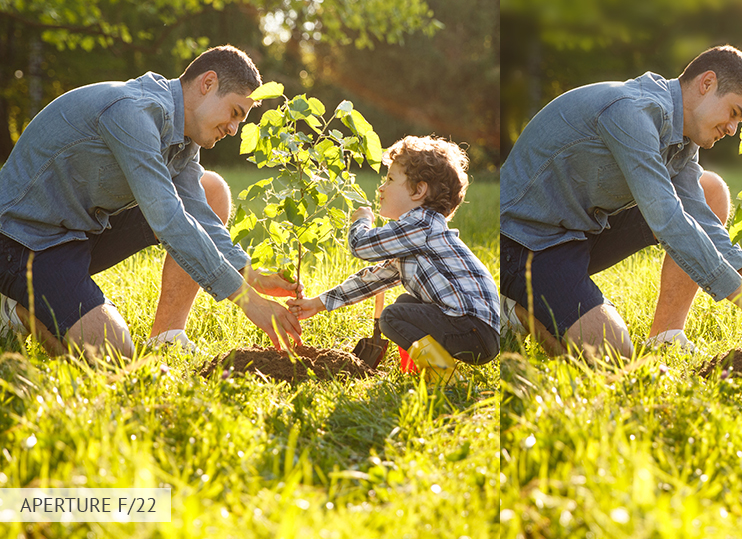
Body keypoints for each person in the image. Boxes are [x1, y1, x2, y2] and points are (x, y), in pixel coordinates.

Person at [498, 45, 742, 359]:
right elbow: (668, 220)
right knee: (614, 355)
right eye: (734, 113)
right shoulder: (632, 112)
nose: (732, 129)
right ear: (707, 83)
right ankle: (521, 308)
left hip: (586, 230)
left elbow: (696, 211)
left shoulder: (682, 134)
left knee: (710, 190)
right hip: (534, 246)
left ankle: (666, 336)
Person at [0, 45, 302, 360]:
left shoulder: (183, 135)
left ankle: (167, 336)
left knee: (211, 190)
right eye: (235, 113)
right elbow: (169, 220)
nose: (233, 129)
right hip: (23, 241)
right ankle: (19, 308)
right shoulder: (133, 112)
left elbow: (198, 212)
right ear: (207, 83)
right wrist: (249, 301)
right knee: (114, 354)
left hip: (79, 230)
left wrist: (250, 275)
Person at [287, 136, 502, 366]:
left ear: (419, 190)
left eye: (390, 179)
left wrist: (361, 221)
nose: (381, 187)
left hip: (472, 329)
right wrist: (318, 303)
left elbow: (360, 245)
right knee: (403, 304)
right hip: (476, 331)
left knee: (391, 317)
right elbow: (371, 280)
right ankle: (423, 368)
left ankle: (441, 373)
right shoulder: (417, 238)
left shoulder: (422, 225)